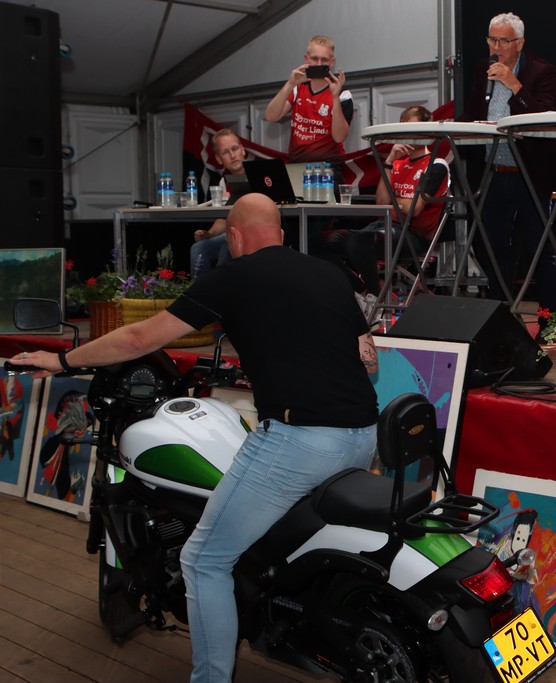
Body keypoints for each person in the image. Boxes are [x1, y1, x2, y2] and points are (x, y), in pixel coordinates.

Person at [19, 193, 379, 682]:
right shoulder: (329, 272)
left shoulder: (232, 276)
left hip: (300, 442)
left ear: (234, 237)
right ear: (280, 232)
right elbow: (367, 359)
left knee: (204, 558)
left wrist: (61, 359)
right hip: (362, 437)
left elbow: (138, 339)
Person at [459, 12, 556, 332]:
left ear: (519, 43)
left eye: (503, 41)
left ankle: (549, 321)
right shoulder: (483, 67)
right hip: (494, 171)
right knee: (491, 247)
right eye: (492, 40)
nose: (496, 47)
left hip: (530, 173)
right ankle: (502, 319)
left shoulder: (541, 71)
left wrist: (513, 84)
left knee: (540, 247)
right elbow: (474, 112)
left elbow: (545, 116)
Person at [326, 105, 450, 316]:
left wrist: (395, 202)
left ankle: (376, 298)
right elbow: (381, 202)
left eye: (412, 129)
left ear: (427, 132)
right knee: (319, 244)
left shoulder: (436, 165)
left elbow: (414, 208)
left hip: (412, 235)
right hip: (383, 226)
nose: (406, 135)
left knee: (360, 241)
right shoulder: (397, 164)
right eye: (403, 129)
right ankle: (361, 291)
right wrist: (390, 162)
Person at [264, 35, 354, 164]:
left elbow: (339, 137)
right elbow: (271, 116)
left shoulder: (342, 94)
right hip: (297, 165)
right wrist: (290, 84)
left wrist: (335, 97)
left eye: (324, 60)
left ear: (332, 62)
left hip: (328, 166)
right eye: (314, 59)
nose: (319, 64)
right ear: (306, 59)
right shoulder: (298, 88)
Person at [191, 128, 245, 279]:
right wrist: (209, 234)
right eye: (226, 152)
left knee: (226, 247)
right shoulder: (223, 182)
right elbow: (223, 219)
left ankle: (222, 292)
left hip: (254, 233)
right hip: (231, 234)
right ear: (219, 159)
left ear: (242, 150)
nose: (233, 155)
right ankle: (199, 293)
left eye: (235, 149)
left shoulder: (261, 174)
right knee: (198, 249)